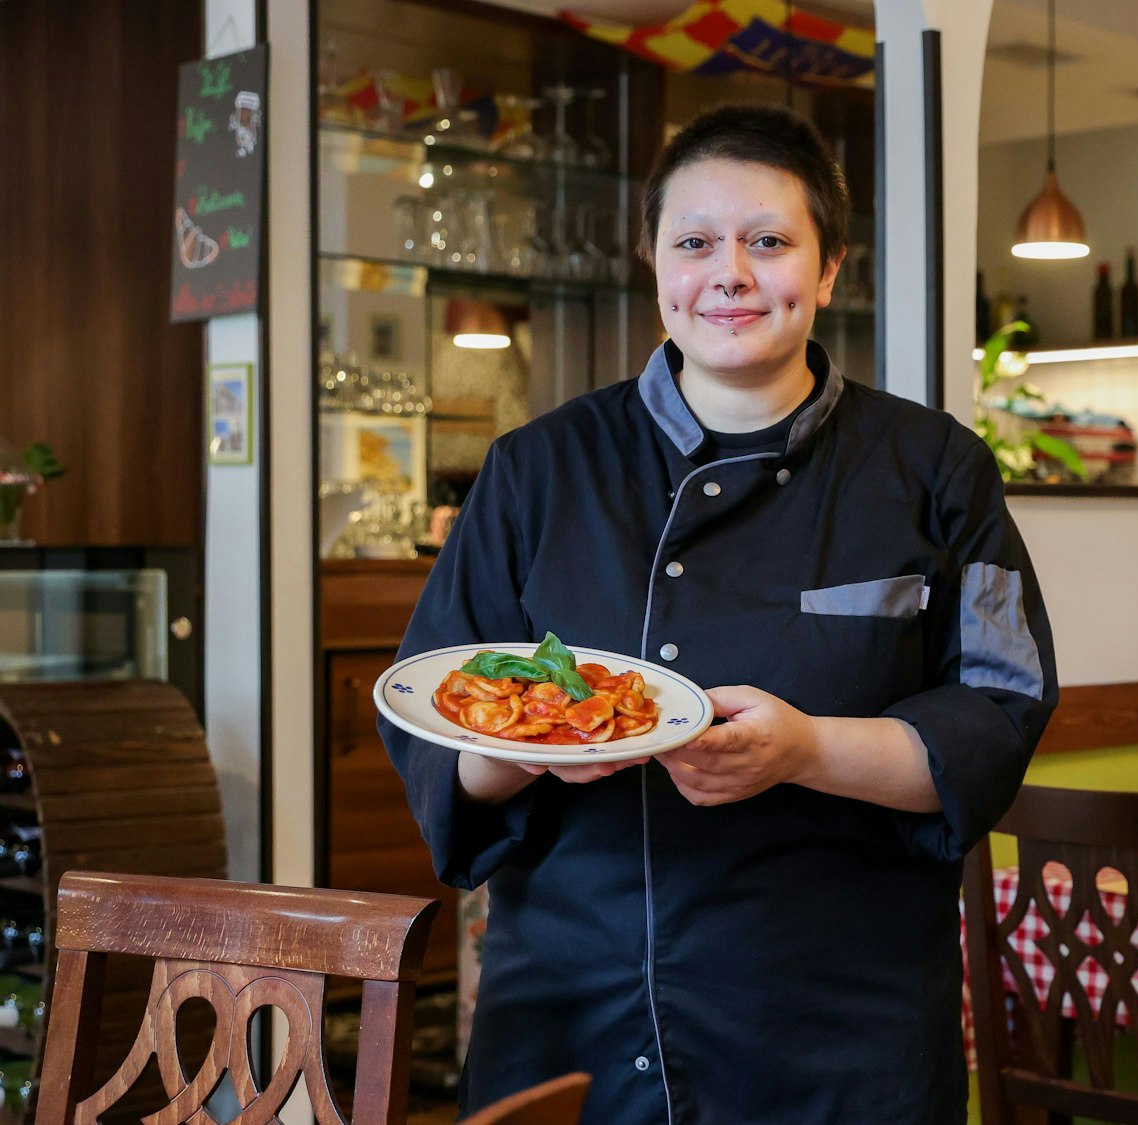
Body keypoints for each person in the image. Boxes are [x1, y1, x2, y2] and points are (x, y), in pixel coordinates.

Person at [381, 103, 1059, 1124]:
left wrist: (805, 750)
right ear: (655, 266)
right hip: (573, 1012)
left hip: (835, 1030)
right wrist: (542, 743)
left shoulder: (935, 470)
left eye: (769, 242)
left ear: (829, 269)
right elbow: (438, 727)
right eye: (694, 242)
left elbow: (1002, 710)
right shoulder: (536, 469)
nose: (729, 273)